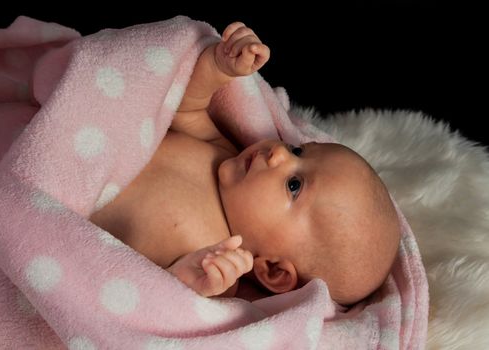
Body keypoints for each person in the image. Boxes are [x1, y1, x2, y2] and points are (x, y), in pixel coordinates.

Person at [89, 22, 401, 305]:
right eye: (298, 151)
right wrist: (218, 66)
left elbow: (144, 302)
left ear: (273, 270)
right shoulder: (223, 152)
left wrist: (183, 280)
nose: (279, 154)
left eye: (294, 185)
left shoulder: (213, 267)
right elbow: (185, 110)